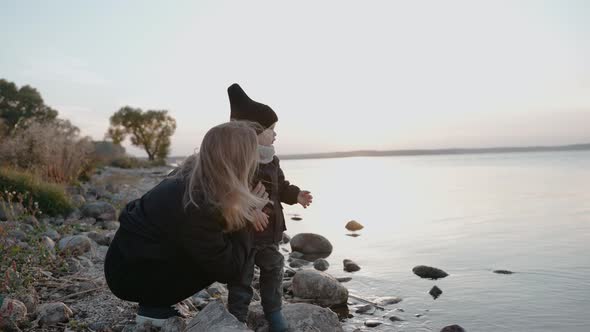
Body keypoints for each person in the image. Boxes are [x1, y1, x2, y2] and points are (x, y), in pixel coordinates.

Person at [104, 121, 270, 327]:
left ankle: (156, 299)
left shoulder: (195, 175)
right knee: (222, 257)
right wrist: (248, 219)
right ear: (238, 162)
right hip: (130, 278)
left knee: (218, 244)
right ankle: (154, 308)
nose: (255, 162)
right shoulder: (196, 203)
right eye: (252, 155)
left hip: (128, 261)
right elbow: (228, 270)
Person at [226, 83, 313, 332]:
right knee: (241, 280)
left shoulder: (272, 160)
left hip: (270, 234)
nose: (275, 134)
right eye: (271, 130)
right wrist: (249, 213)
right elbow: (232, 194)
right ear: (254, 131)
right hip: (243, 233)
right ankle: (237, 319)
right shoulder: (240, 160)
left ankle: (274, 313)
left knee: (274, 270)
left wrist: (296, 195)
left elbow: (281, 186)